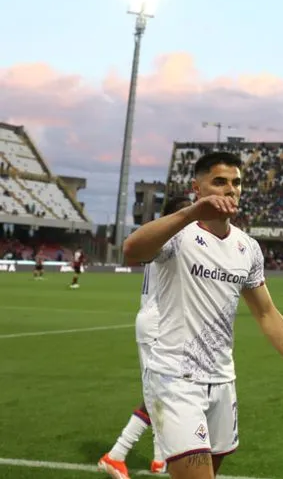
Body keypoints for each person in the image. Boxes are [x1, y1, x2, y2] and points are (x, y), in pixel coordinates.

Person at [121, 152, 283, 479]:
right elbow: (132, 250)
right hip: (176, 379)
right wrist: (190, 213)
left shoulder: (247, 248)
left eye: (236, 183)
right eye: (219, 182)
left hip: (222, 379)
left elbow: (266, 312)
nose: (230, 189)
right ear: (197, 188)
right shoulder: (177, 236)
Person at [99, 195, 194, 479]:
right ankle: (116, 454)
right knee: (160, 395)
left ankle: (159, 458)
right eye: (188, 211)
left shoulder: (161, 238)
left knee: (160, 393)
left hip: (162, 322)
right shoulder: (171, 240)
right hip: (158, 324)